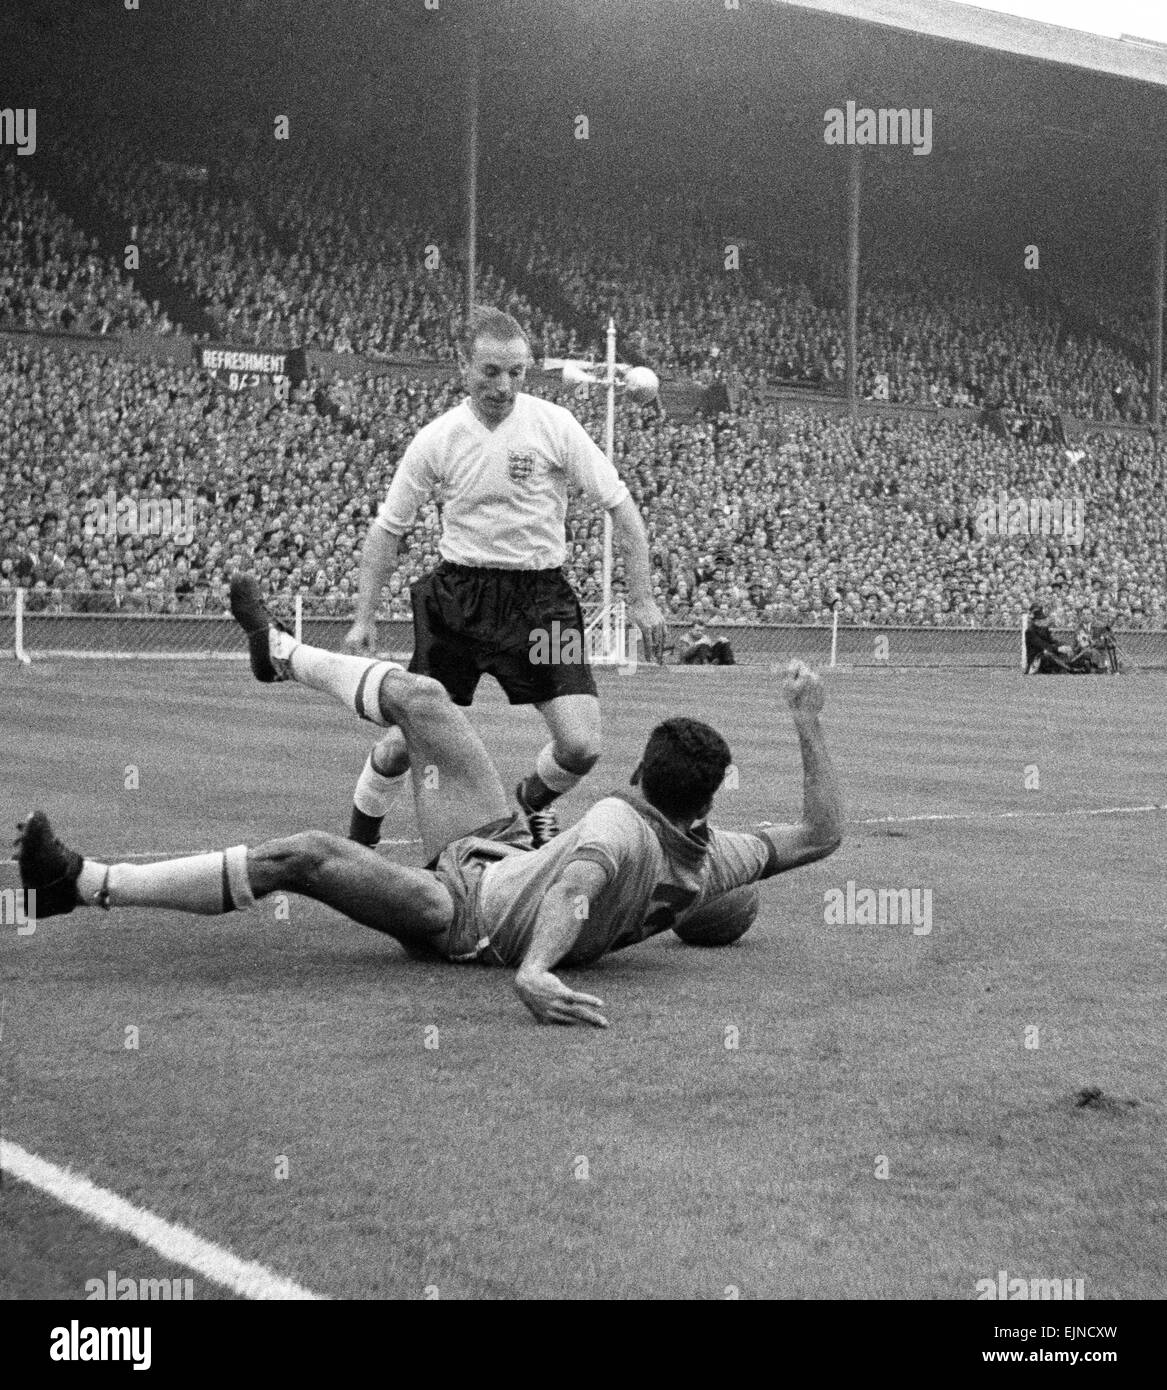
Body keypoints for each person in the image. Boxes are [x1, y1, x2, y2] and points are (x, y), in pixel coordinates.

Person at [16, 578, 842, 1029]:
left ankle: (82, 884)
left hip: (463, 916)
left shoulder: (620, 827)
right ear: (702, 814)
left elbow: (578, 886)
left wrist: (534, 969)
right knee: (423, 699)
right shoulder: (712, 859)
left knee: (302, 856)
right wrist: (805, 723)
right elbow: (819, 834)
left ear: (643, 782)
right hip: (496, 848)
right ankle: (278, 652)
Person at [343, 306, 668, 850]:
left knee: (581, 746)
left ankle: (531, 802)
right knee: (405, 742)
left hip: (542, 600)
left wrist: (643, 597)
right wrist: (362, 619)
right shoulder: (437, 439)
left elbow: (622, 508)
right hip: (459, 599)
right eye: (491, 371)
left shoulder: (554, 425)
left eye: (517, 372)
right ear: (463, 366)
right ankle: (358, 842)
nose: (504, 384)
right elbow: (387, 531)